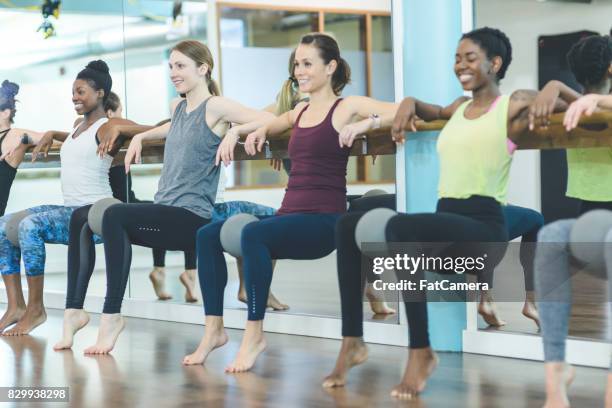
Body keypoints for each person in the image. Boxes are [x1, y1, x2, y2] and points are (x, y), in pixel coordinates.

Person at [323, 27, 562, 400]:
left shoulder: (512, 103)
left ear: (494, 64)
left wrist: (555, 88)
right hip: (447, 227)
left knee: (400, 228)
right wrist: (408, 103)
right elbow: (428, 109)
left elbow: (579, 103)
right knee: (347, 224)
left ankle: (421, 352)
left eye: (470, 58)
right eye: (457, 58)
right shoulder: (460, 108)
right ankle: (351, 340)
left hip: (484, 233)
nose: (460, 65)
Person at [183, 32, 399, 373]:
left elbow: (401, 110)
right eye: (297, 64)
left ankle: (254, 334)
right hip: (290, 215)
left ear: (330, 67)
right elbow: (270, 121)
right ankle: (214, 331)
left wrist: (366, 125)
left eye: (307, 63)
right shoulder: (299, 111)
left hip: (325, 221)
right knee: (207, 236)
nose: (299, 70)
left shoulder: (348, 107)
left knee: (254, 236)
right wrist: (240, 132)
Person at [66, 40, 275, 355]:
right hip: (167, 211)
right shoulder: (178, 108)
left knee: (115, 214)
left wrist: (235, 132)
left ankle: (111, 318)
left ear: (202, 69)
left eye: (181, 67)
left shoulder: (216, 106)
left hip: (192, 217)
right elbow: (168, 130)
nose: (173, 73)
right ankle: (100, 314)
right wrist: (139, 135)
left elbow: (267, 118)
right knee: (106, 218)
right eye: (171, 67)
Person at [0, 61, 119, 336]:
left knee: (30, 227)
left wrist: (136, 137)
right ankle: (16, 306)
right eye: (73, 92)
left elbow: (137, 128)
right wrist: (53, 133)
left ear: (100, 93)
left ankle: (36, 309)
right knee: (4, 225)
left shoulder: (107, 125)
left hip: (95, 211)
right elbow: (74, 138)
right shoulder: (80, 128)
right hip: (71, 210)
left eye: (81, 91)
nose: (75, 97)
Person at [533, 34, 612, 408]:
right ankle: (555, 372)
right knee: (550, 237)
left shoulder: (583, 104)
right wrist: (559, 87)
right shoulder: (576, 108)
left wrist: (562, 86)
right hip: (592, 221)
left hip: (595, 223)